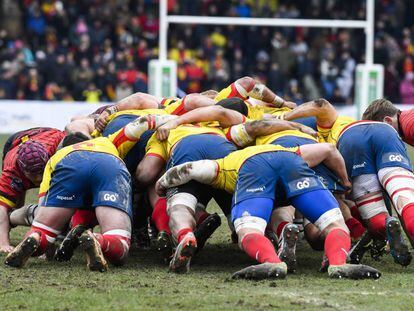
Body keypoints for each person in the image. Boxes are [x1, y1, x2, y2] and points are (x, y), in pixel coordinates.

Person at [156, 143, 380, 280]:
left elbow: (190, 169)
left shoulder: (225, 163)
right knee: (335, 224)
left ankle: (272, 261)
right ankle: (339, 264)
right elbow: (328, 150)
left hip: (253, 170)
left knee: (249, 232)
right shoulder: (288, 149)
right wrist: (344, 180)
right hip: (292, 162)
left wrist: (162, 183)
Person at [4, 114, 174, 271]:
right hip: (107, 164)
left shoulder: (56, 157)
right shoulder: (107, 140)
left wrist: (45, 235)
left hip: (68, 166)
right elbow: (140, 124)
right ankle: (99, 240)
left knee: (43, 230)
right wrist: (172, 119)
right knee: (119, 243)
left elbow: (43, 208)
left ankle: (36, 238)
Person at [285, 98, 413, 266]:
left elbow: (320, 104)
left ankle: (382, 223)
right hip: (385, 134)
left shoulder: (318, 139)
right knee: (403, 195)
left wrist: (283, 118)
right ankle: (385, 225)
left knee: (369, 211)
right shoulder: (338, 122)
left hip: (350, 139)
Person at [0, 127, 66, 253]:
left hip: (45, 134)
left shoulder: (57, 148)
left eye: (41, 171)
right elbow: (1, 208)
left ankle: (61, 229)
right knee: (11, 203)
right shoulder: (11, 172)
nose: (39, 178)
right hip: (15, 142)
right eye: (33, 174)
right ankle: (7, 227)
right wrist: (4, 244)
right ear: (23, 170)